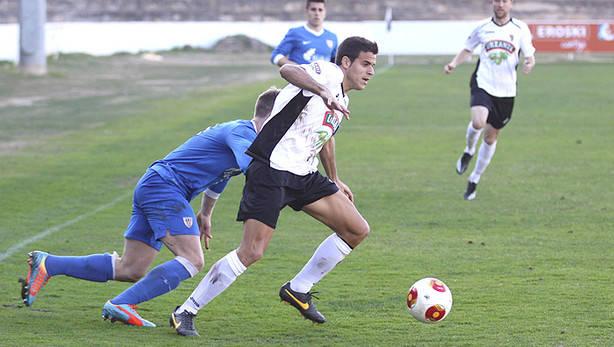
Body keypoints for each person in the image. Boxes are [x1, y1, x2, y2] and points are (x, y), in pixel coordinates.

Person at [20, 87, 280, 327]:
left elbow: (223, 176)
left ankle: (49, 264)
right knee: (192, 260)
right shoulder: (242, 133)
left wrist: (207, 212)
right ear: (274, 115)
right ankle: (121, 304)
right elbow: (253, 168)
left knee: (131, 268)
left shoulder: (243, 136)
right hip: (165, 188)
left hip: (156, 185)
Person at [170, 36, 377, 337]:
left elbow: (325, 137)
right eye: (366, 64)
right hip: (271, 170)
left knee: (356, 229)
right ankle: (185, 310)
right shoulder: (329, 75)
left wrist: (334, 179)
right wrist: (321, 90)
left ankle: (298, 289)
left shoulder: (343, 97)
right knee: (251, 252)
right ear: (346, 62)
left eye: (373, 65)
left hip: (303, 174)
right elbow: (288, 70)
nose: (371, 71)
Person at [444, 0, 536, 200]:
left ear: (511, 4)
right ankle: (468, 150)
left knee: (490, 137)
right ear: (492, 3)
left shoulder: (520, 28)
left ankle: (474, 179)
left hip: (506, 91)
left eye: (504, 1)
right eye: (497, 1)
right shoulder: (482, 27)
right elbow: (468, 48)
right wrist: (453, 63)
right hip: (483, 83)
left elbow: (529, 53)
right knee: (478, 121)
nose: (500, 4)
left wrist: (529, 62)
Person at [270, 0, 338, 67]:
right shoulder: (295, 33)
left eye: (320, 10)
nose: (317, 13)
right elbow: (276, 55)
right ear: (306, 11)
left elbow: (335, 63)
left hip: (323, 78)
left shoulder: (332, 37)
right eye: (313, 9)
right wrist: (296, 67)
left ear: (325, 12)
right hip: (298, 77)